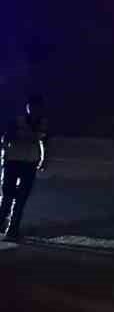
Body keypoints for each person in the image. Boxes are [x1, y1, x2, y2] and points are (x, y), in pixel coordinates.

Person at [1, 94, 49, 241]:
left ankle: (13, 228)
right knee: (8, 195)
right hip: (13, 161)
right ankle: (3, 221)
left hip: (29, 163)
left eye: (37, 107)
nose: (34, 110)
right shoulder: (17, 122)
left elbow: (44, 142)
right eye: (32, 106)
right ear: (28, 107)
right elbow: (5, 139)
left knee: (21, 198)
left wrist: (43, 158)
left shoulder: (43, 123)